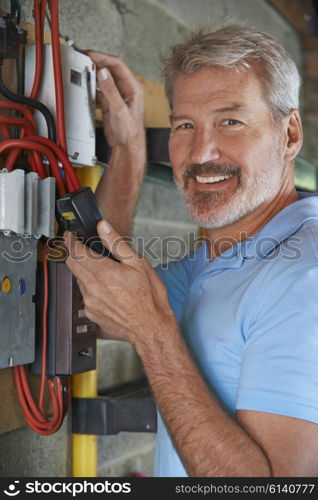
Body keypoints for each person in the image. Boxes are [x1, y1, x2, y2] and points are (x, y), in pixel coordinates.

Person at [65, 26, 318, 477]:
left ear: (290, 135)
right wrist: (127, 150)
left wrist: (153, 334)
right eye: (185, 125)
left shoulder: (303, 277)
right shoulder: (223, 259)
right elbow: (101, 304)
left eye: (231, 121)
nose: (201, 152)